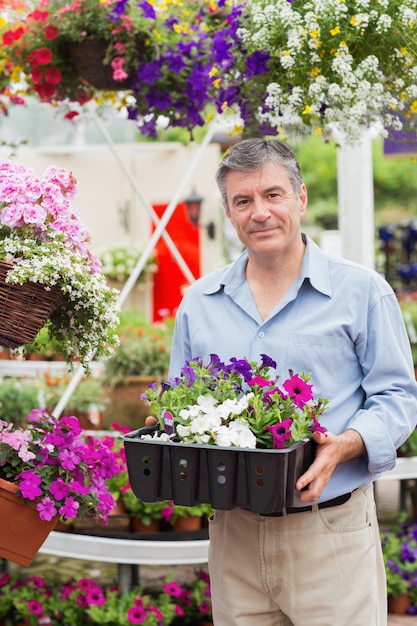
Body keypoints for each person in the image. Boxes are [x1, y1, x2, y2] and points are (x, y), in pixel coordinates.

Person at [147, 138, 417, 625]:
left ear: (301, 198)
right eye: (243, 201)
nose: (260, 213)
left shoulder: (361, 292)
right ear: (229, 213)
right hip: (234, 535)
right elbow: (178, 402)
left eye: (273, 195)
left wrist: (347, 444)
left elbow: (398, 397)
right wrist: (169, 431)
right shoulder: (200, 301)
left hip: (329, 529)